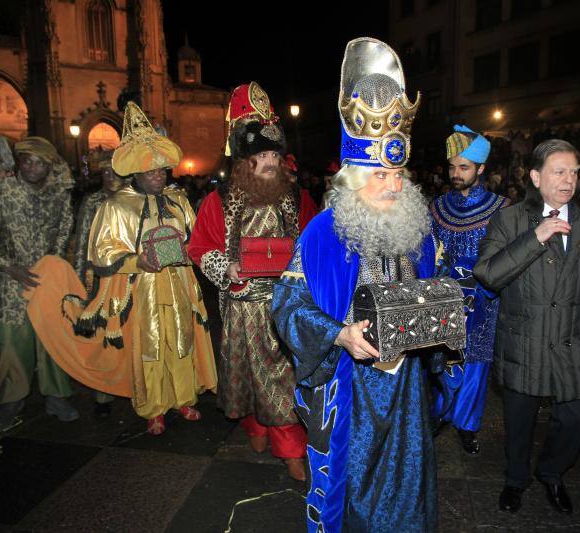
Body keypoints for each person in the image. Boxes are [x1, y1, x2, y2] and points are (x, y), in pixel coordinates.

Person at [272, 37, 439, 532]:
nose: (393, 186)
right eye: (381, 174)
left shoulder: (419, 225)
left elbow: (435, 287)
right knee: (355, 492)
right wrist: (339, 334)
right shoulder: (322, 233)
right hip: (350, 386)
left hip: (406, 387)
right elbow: (287, 305)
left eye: (399, 173)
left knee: (408, 487)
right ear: (352, 174)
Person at [23, 102, 217, 435]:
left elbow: (194, 236)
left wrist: (187, 252)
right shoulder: (116, 206)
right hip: (142, 288)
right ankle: (153, 407)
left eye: (162, 170)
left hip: (179, 282)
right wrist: (136, 261)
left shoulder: (178, 200)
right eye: (151, 172)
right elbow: (103, 252)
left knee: (182, 337)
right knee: (151, 344)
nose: (158, 176)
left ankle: (184, 397)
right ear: (137, 173)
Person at [474, 139, 580, 515]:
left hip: (576, 339)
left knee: (575, 417)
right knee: (519, 421)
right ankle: (516, 480)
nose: (568, 180)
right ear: (535, 176)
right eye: (559, 171)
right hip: (525, 341)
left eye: (574, 172)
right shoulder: (511, 219)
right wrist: (536, 237)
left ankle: (552, 473)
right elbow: (489, 275)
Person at [187, 82, 315, 481]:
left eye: (274, 153)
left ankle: (291, 448)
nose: (269, 162)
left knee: (283, 378)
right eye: (260, 155)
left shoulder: (297, 198)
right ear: (244, 161)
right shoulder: (219, 201)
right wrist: (224, 268)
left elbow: (314, 243)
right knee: (247, 376)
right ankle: (255, 427)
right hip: (242, 306)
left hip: (287, 305)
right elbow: (199, 246)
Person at [0, 136, 79, 433]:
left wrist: (51, 267)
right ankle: (10, 401)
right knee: (9, 345)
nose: (32, 167)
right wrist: (8, 266)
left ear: (48, 166)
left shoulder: (59, 195)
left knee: (52, 340)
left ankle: (56, 397)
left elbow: (63, 234)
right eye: (27, 161)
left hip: (46, 283)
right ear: (19, 163)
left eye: (39, 162)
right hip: (8, 284)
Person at [429, 125, 507, 455]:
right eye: (452, 166)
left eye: (464, 167)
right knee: (442, 360)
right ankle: (440, 414)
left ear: (481, 168)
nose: (456, 173)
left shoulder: (502, 208)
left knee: (475, 365)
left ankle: (467, 425)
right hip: (444, 298)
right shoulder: (437, 207)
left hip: (483, 301)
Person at [71, 149, 126, 416]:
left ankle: (132, 386)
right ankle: (102, 393)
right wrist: (81, 280)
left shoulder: (134, 200)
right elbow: (81, 245)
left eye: (116, 171)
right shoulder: (92, 202)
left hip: (130, 277)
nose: (111, 176)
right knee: (102, 335)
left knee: (129, 333)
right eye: (105, 171)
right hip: (101, 278)